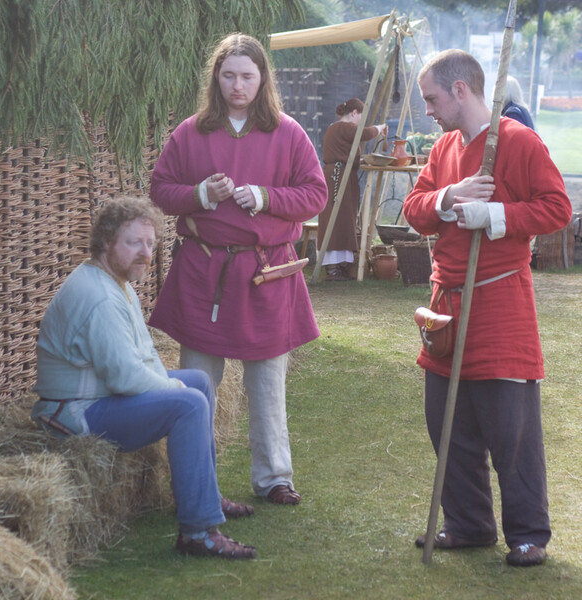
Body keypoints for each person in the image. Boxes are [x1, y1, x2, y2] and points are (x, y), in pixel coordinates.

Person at [403, 49, 571, 567]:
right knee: (446, 423)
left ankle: (527, 534)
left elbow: (558, 208)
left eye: (431, 97)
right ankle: (469, 523)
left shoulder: (516, 142)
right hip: (445, 304)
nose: (426, 108)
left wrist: (493, 214)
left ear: (460, 90)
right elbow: (414, 209)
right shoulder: (444, 147)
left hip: (499, 301)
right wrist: (449, 198)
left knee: (510, 429)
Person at [148, 33, 327, 506]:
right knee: (198, 384)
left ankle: (274, 478)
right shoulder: (191, 131)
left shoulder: (288, 132)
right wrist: (201, 195)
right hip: (204, 272)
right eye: (228, 75)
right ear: (217, 78)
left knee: (267, 384)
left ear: (262, 78)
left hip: (267, 276)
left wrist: (266, 197)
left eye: (247, 75)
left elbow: (315, 194)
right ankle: (195, 475)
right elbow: (161, 189)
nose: (238, 85)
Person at [31, 195, 256, 560]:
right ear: (106, 242)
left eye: (150, 244)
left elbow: (145, 355)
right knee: (188, 403)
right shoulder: (99, 297)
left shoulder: (117, 283)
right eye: (134, 242)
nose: (145, 253)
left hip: (101, 398)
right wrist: (172, 388)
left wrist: (174, 383)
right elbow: (124, 378)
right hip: (74, 413)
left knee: (197, 381)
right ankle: (198, 532)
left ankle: (205, 495)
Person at [317, 98, 387, 281]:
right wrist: (379, 128)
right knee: (337, 218)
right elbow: (364, 134)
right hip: (338, 177)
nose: (360, 122)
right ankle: (332, 268)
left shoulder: (339, 129)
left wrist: (359, 160)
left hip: (341, 175)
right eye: (360, 117)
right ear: (354, 113)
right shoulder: (343, 127)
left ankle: (339, 266)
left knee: (344, 218)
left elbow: (345, 153)